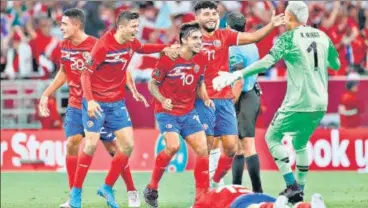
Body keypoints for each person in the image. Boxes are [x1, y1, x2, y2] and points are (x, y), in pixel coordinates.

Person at [212, 1, 340, 203]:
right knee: (300, 143)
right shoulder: (323, 36)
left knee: (272, 137)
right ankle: (300, 193)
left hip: (299, 100)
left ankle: (292, 186)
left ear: (289, 17)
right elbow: (336, 63)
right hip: (321, 101)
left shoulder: (288, 38)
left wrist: (237, 74)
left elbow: (267, 62)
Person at [69, 11, 177, 208]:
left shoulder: (130, 42)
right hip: (97, 102)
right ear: (121, 27)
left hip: (117, 103)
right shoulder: (103, 45)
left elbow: (143, 48)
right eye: (134, 27)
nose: (137, 30)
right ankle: (75, 193)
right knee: (91, 145)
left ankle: (107, 186)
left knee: (127, 145)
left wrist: (166, 47)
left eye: (138, 26)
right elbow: (85, 74)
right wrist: (91, 101)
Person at [37, 8, 142, 208]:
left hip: (97, 102)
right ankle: (74, 197)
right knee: (72, 143)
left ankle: (131, 191)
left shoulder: (96, 44)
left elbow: (122, 68)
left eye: (64, 24)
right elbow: (64, 72)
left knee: (114, 148)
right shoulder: (64, 45)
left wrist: (133, 89)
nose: (60, 27)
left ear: (76, 25)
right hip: (76, 104)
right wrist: (46, 93)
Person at [192, 1, 285, 187]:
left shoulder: (227, 40)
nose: (211, 17)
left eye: (214, 14)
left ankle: (221, 183)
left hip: (230, 97)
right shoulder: (193, 38)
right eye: (206, 14)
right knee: (221, 147)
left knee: (230, 146)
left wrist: (271, 25)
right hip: (223, 97)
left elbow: (240, 74)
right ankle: (210, 192)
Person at [143, 21, 213, 208]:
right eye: (195, 38)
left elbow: (199, 81)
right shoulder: (169, 57)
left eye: (200, 38)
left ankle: (201, 198)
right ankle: (152, 187)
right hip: (167, 112)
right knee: (173, 146)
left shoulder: (202, 57)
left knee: (203, 150)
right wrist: (162, 99)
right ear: (184, 40)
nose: (200, 41)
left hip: (188, 112)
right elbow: (152, 84)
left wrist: (205, 98)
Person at [226, 11, 263, 192]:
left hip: (243, 95)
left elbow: (239, 81)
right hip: (252, 93)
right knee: (240, 147)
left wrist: (231, 103)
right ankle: (237, 188)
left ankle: (257, 192)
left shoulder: (234, 47)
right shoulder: (251, 43)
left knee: (247, 146)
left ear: (228, 27)